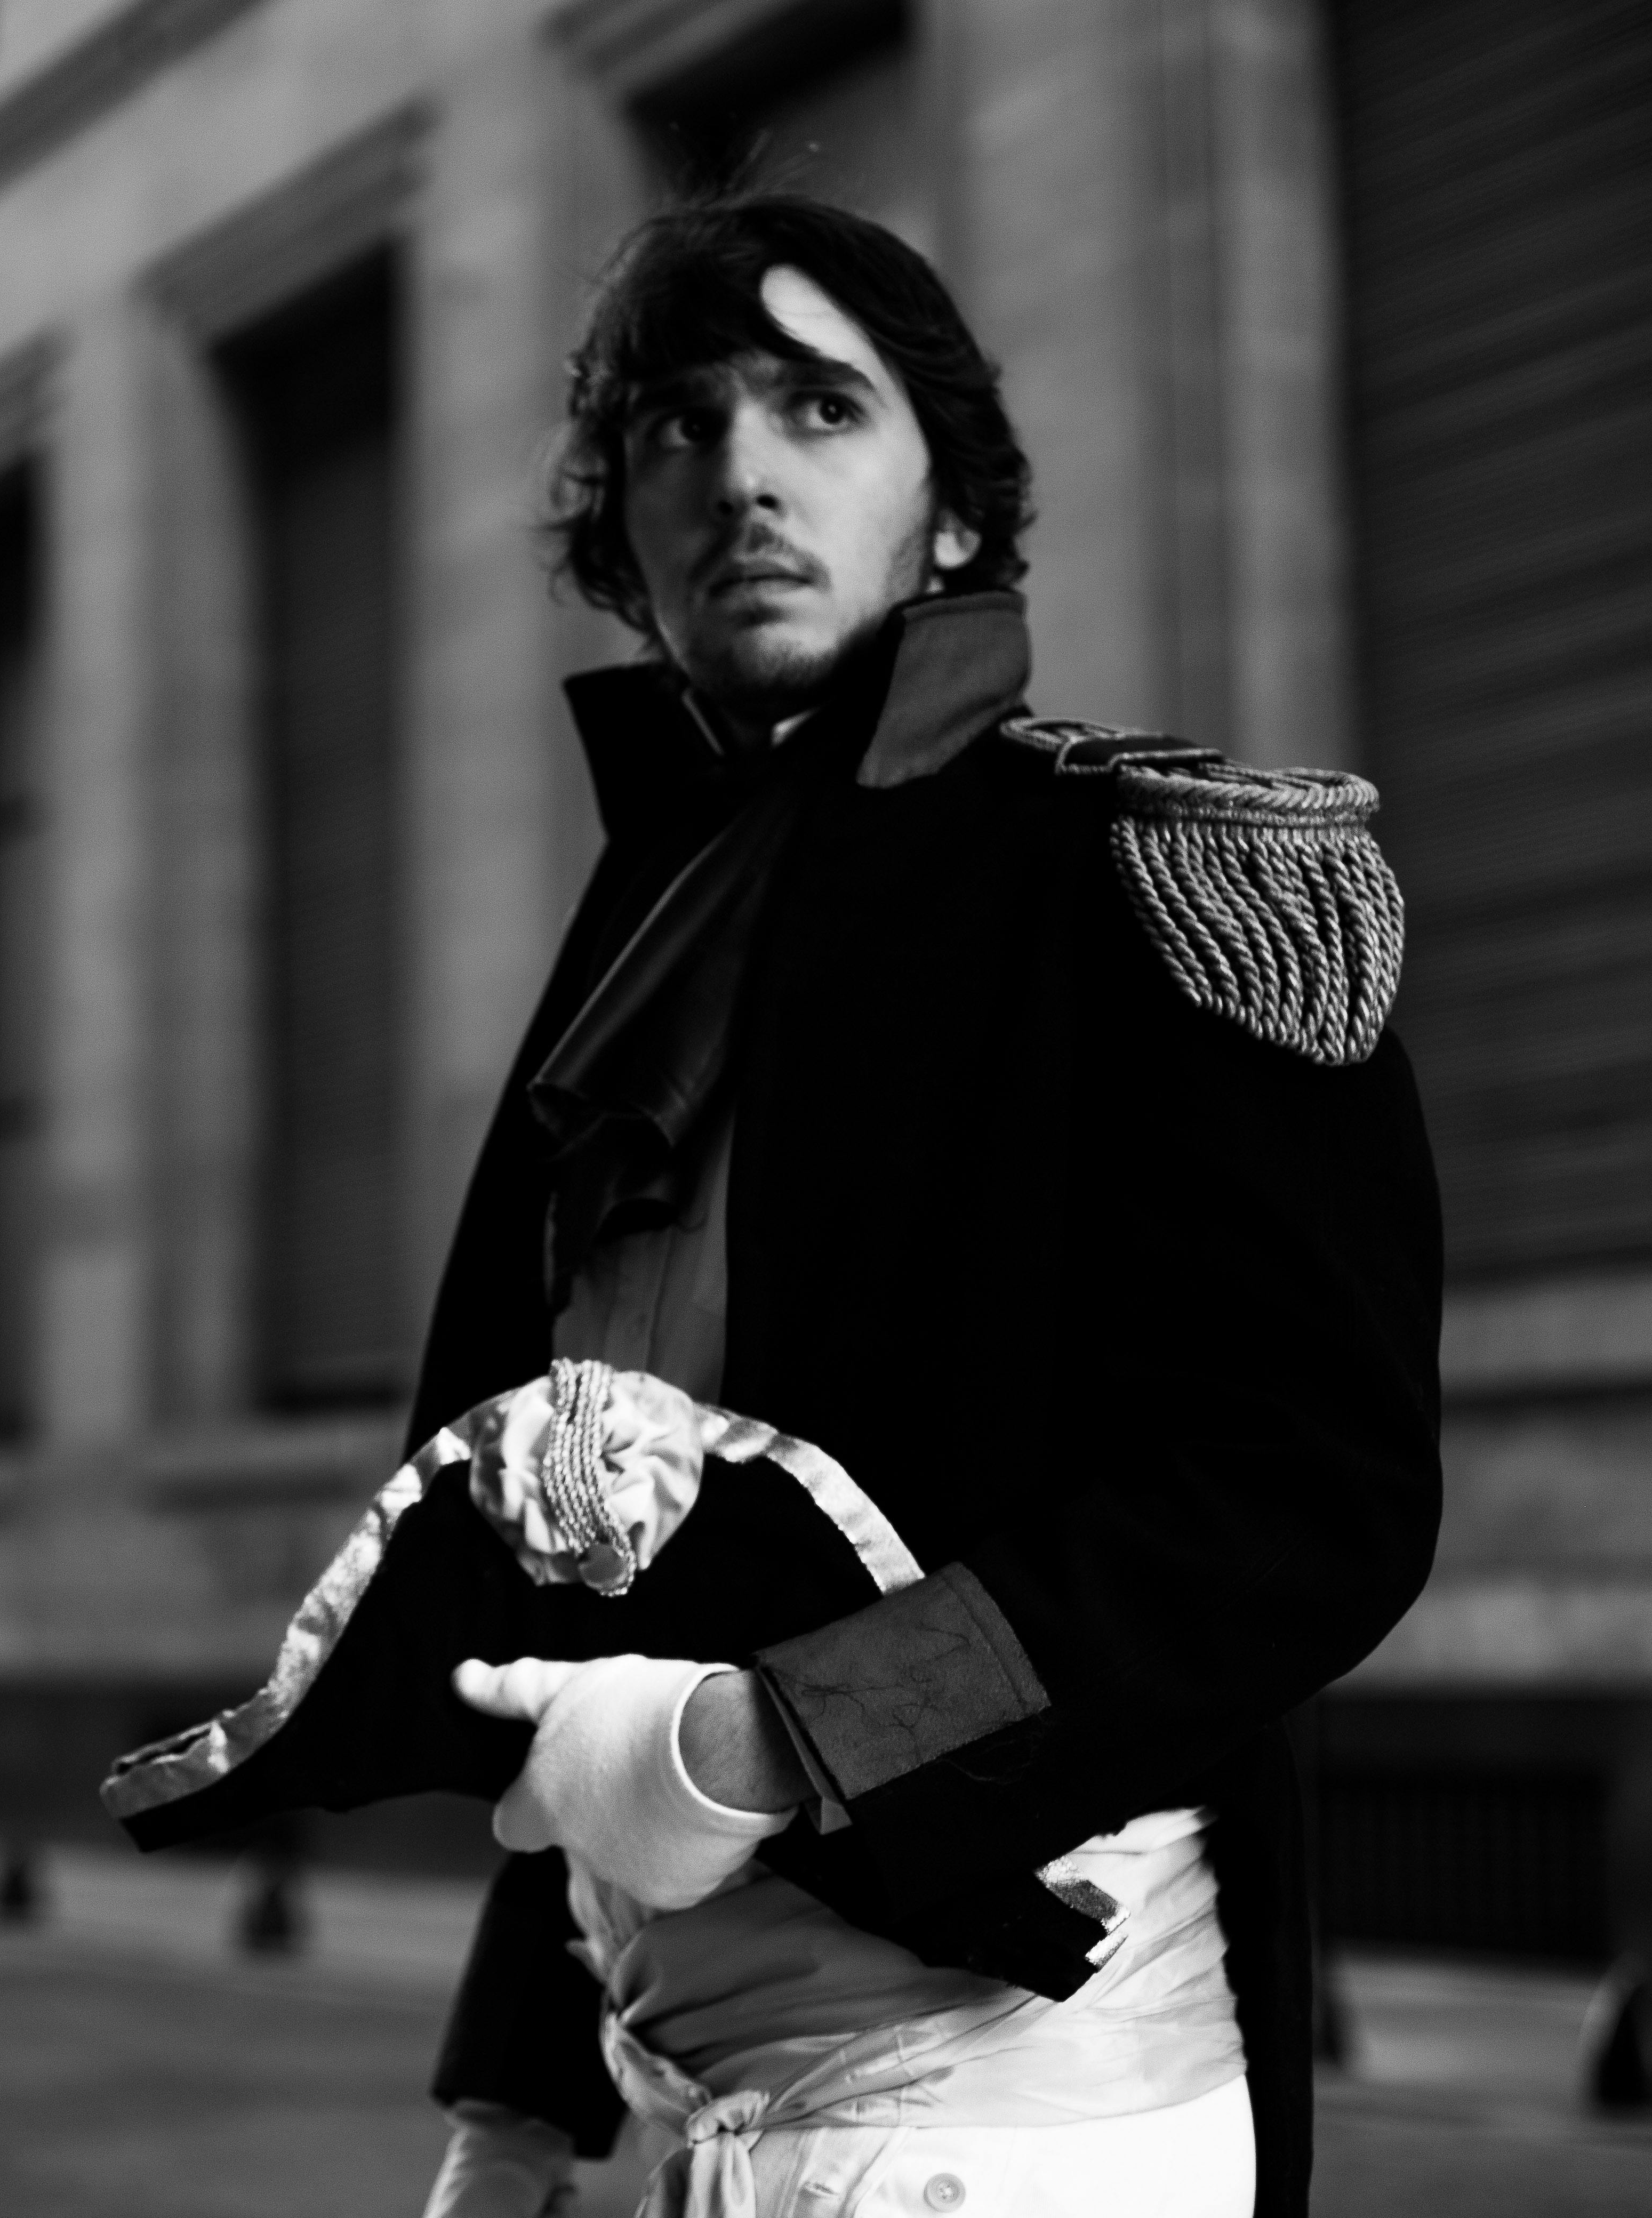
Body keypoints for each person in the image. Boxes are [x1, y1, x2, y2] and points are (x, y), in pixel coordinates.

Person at [402, 196, 1444, 2218]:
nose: (747, 471)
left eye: (819, 406)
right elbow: (596, 1602)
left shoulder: (1161, 882)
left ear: (951, 509)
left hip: (1034, 2102)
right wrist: (517, 2105)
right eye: (680, 428)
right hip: (693, 2100)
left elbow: (1303, 1500)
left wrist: (785, 1739)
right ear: (621, 535)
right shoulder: (638, 953)